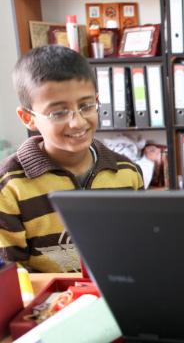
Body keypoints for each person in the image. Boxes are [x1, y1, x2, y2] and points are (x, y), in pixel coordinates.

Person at [0, 45, 144, 273]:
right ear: (28, 118)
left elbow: (138, 250)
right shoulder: (9, 186)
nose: (77, 122)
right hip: (49, 304)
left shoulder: (127, 173)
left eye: (86, 106)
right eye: (58, 113)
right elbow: (12, 277)